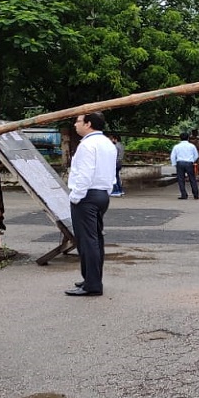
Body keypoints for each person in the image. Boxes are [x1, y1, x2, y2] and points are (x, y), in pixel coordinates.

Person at [66, 111, 117, 297]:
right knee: (95, 239)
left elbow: (85, 174)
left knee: (87, 241)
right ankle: (91, 278)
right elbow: (112, 172)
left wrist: (76, 196)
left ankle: (92, 284)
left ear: (88, 124)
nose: (75, 125)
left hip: (87, 196)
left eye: (78, 121)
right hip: (102, 194)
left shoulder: (87, 145)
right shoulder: (107, 143)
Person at [171, 133, 199, 200]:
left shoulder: (176, 146)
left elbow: (173, 156)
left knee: (181, 179)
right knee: (192, 179)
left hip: (180, 163)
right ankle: (196, 194)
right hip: (189, 163)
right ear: (188, 138)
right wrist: (192, 161)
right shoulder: (192, 146)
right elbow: (196, 155)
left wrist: (174, 164)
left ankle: (184, 195)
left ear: (180, 138)